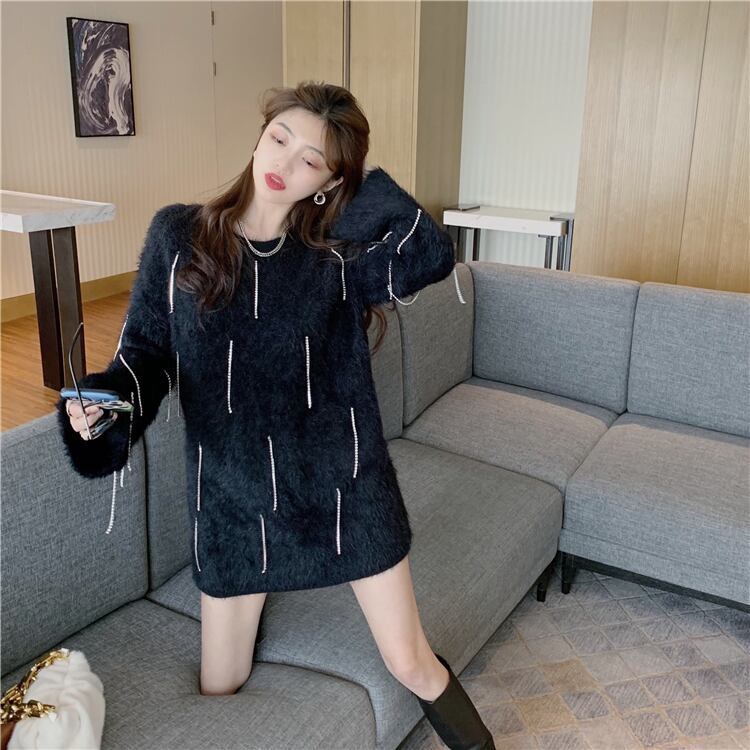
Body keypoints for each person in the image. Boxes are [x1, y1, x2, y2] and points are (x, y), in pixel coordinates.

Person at [60, 81, 495, 750]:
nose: (284, 163)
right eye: (279, 138)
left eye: (311, 160)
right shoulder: (180, 236)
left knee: (411, 661)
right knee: (220, 682)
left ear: (328, 182)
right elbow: (145, 354)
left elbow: (430, 254)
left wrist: (357, 197)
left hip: (345, 488)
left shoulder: (336, 258)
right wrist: (108, 407)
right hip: (233, 496)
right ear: (260, 136)